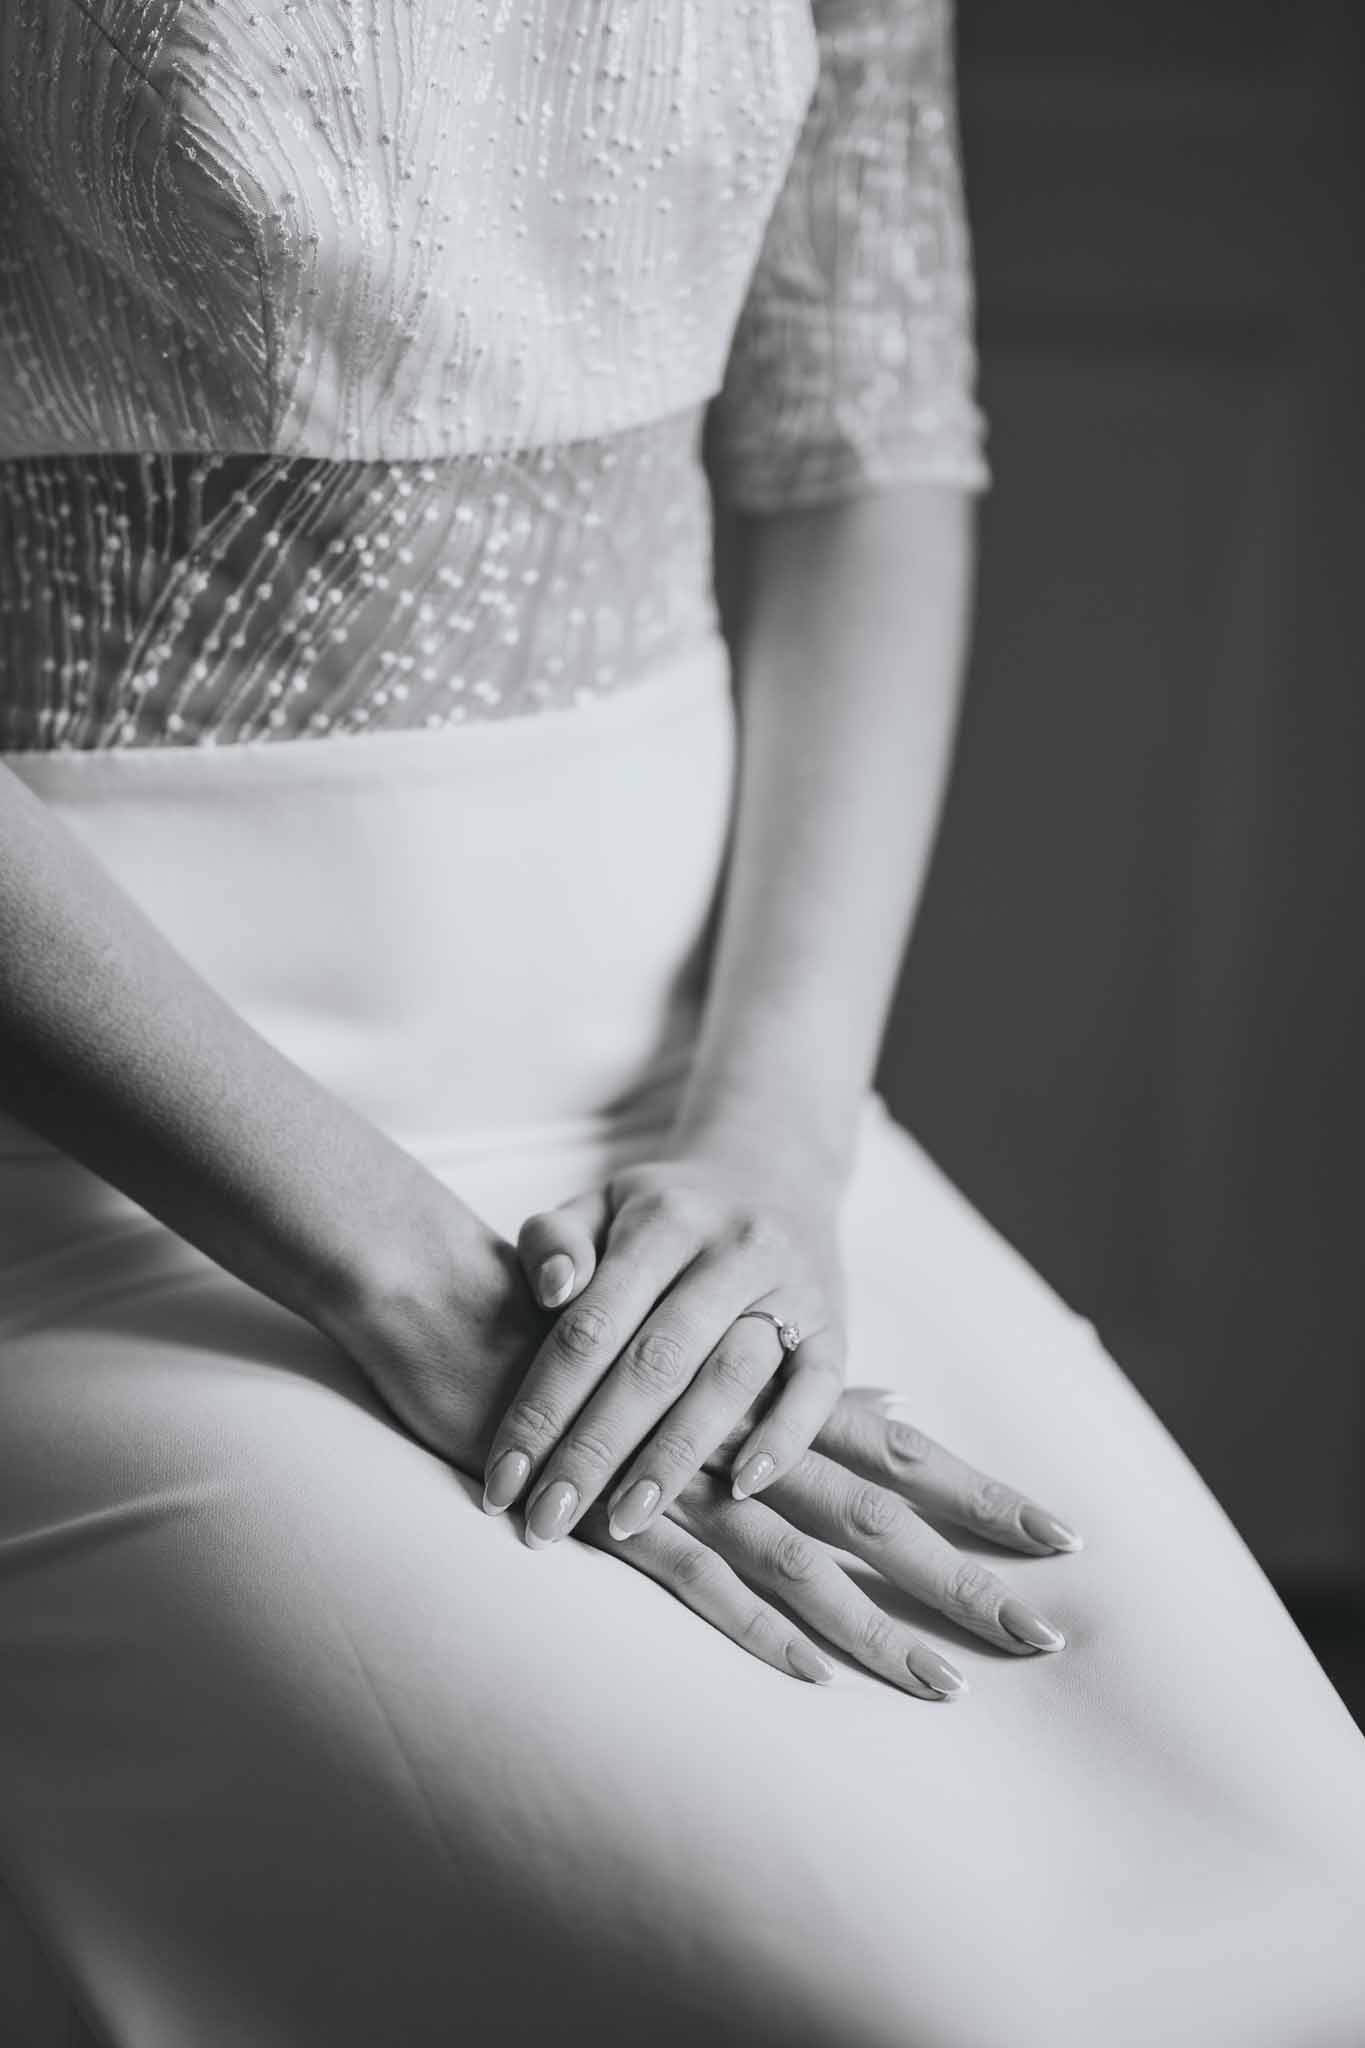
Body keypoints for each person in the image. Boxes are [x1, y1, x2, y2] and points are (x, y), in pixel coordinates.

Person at [0, 3, 1362, 2043]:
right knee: (907, 2003)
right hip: (124, 1142)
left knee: (1301, 1894)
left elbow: (867, 437)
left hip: (698, 1111)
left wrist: (775, 1139)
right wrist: (400, 1273)